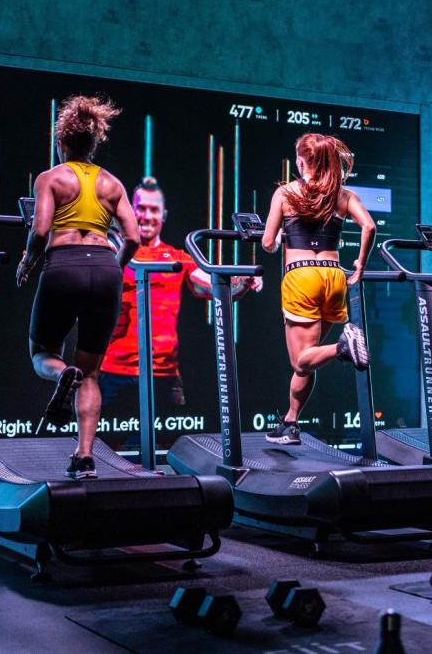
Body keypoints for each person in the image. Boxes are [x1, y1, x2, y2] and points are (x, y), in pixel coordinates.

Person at [15, 95, 139, 479]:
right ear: (94, 143)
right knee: (92, 372)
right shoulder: (112, 182)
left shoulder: (50, 178)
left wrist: (26, 261)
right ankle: (85, 456)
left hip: (63, 266)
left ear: (61, 143)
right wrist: (112, 271)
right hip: (105, 269)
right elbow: (132, 238)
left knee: (43, 352)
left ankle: (59, 374)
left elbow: (39, 230)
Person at [99, 177, 260, 439]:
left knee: (167, 451)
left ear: (163, 215)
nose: (146, 216)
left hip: (163, 376)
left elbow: (210, 285)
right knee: (104, 451)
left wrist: (242, 280)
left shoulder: (176, 257)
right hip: (113, 372)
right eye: (141, 208)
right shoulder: (112, 249)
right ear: (130, 210)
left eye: (153, 210)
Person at [259, 133, 375, 445]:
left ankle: (343, 347)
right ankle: (291, 422)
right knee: (308, 362)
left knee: (300, 360)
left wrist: (281, 236)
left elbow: (268, 244)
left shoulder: (286, 193)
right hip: (334, 277)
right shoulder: (341, 195)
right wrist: (360, 265)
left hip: (301, 278)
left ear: (300, 160)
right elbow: (369, 226)